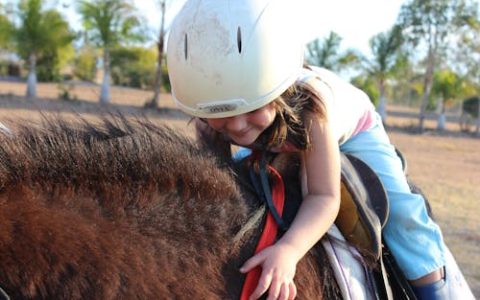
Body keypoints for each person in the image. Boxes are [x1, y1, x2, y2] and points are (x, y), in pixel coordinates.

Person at [166, 0, 474, 299]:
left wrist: (288, 251)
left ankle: (437, 289)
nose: (236, 127)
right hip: (276, 136)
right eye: (220, 117)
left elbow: (324, 197)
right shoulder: (208, 112)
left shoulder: (314, 111)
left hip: (353, 130)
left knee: (402, 214)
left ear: (280, 90)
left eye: (252, 109)